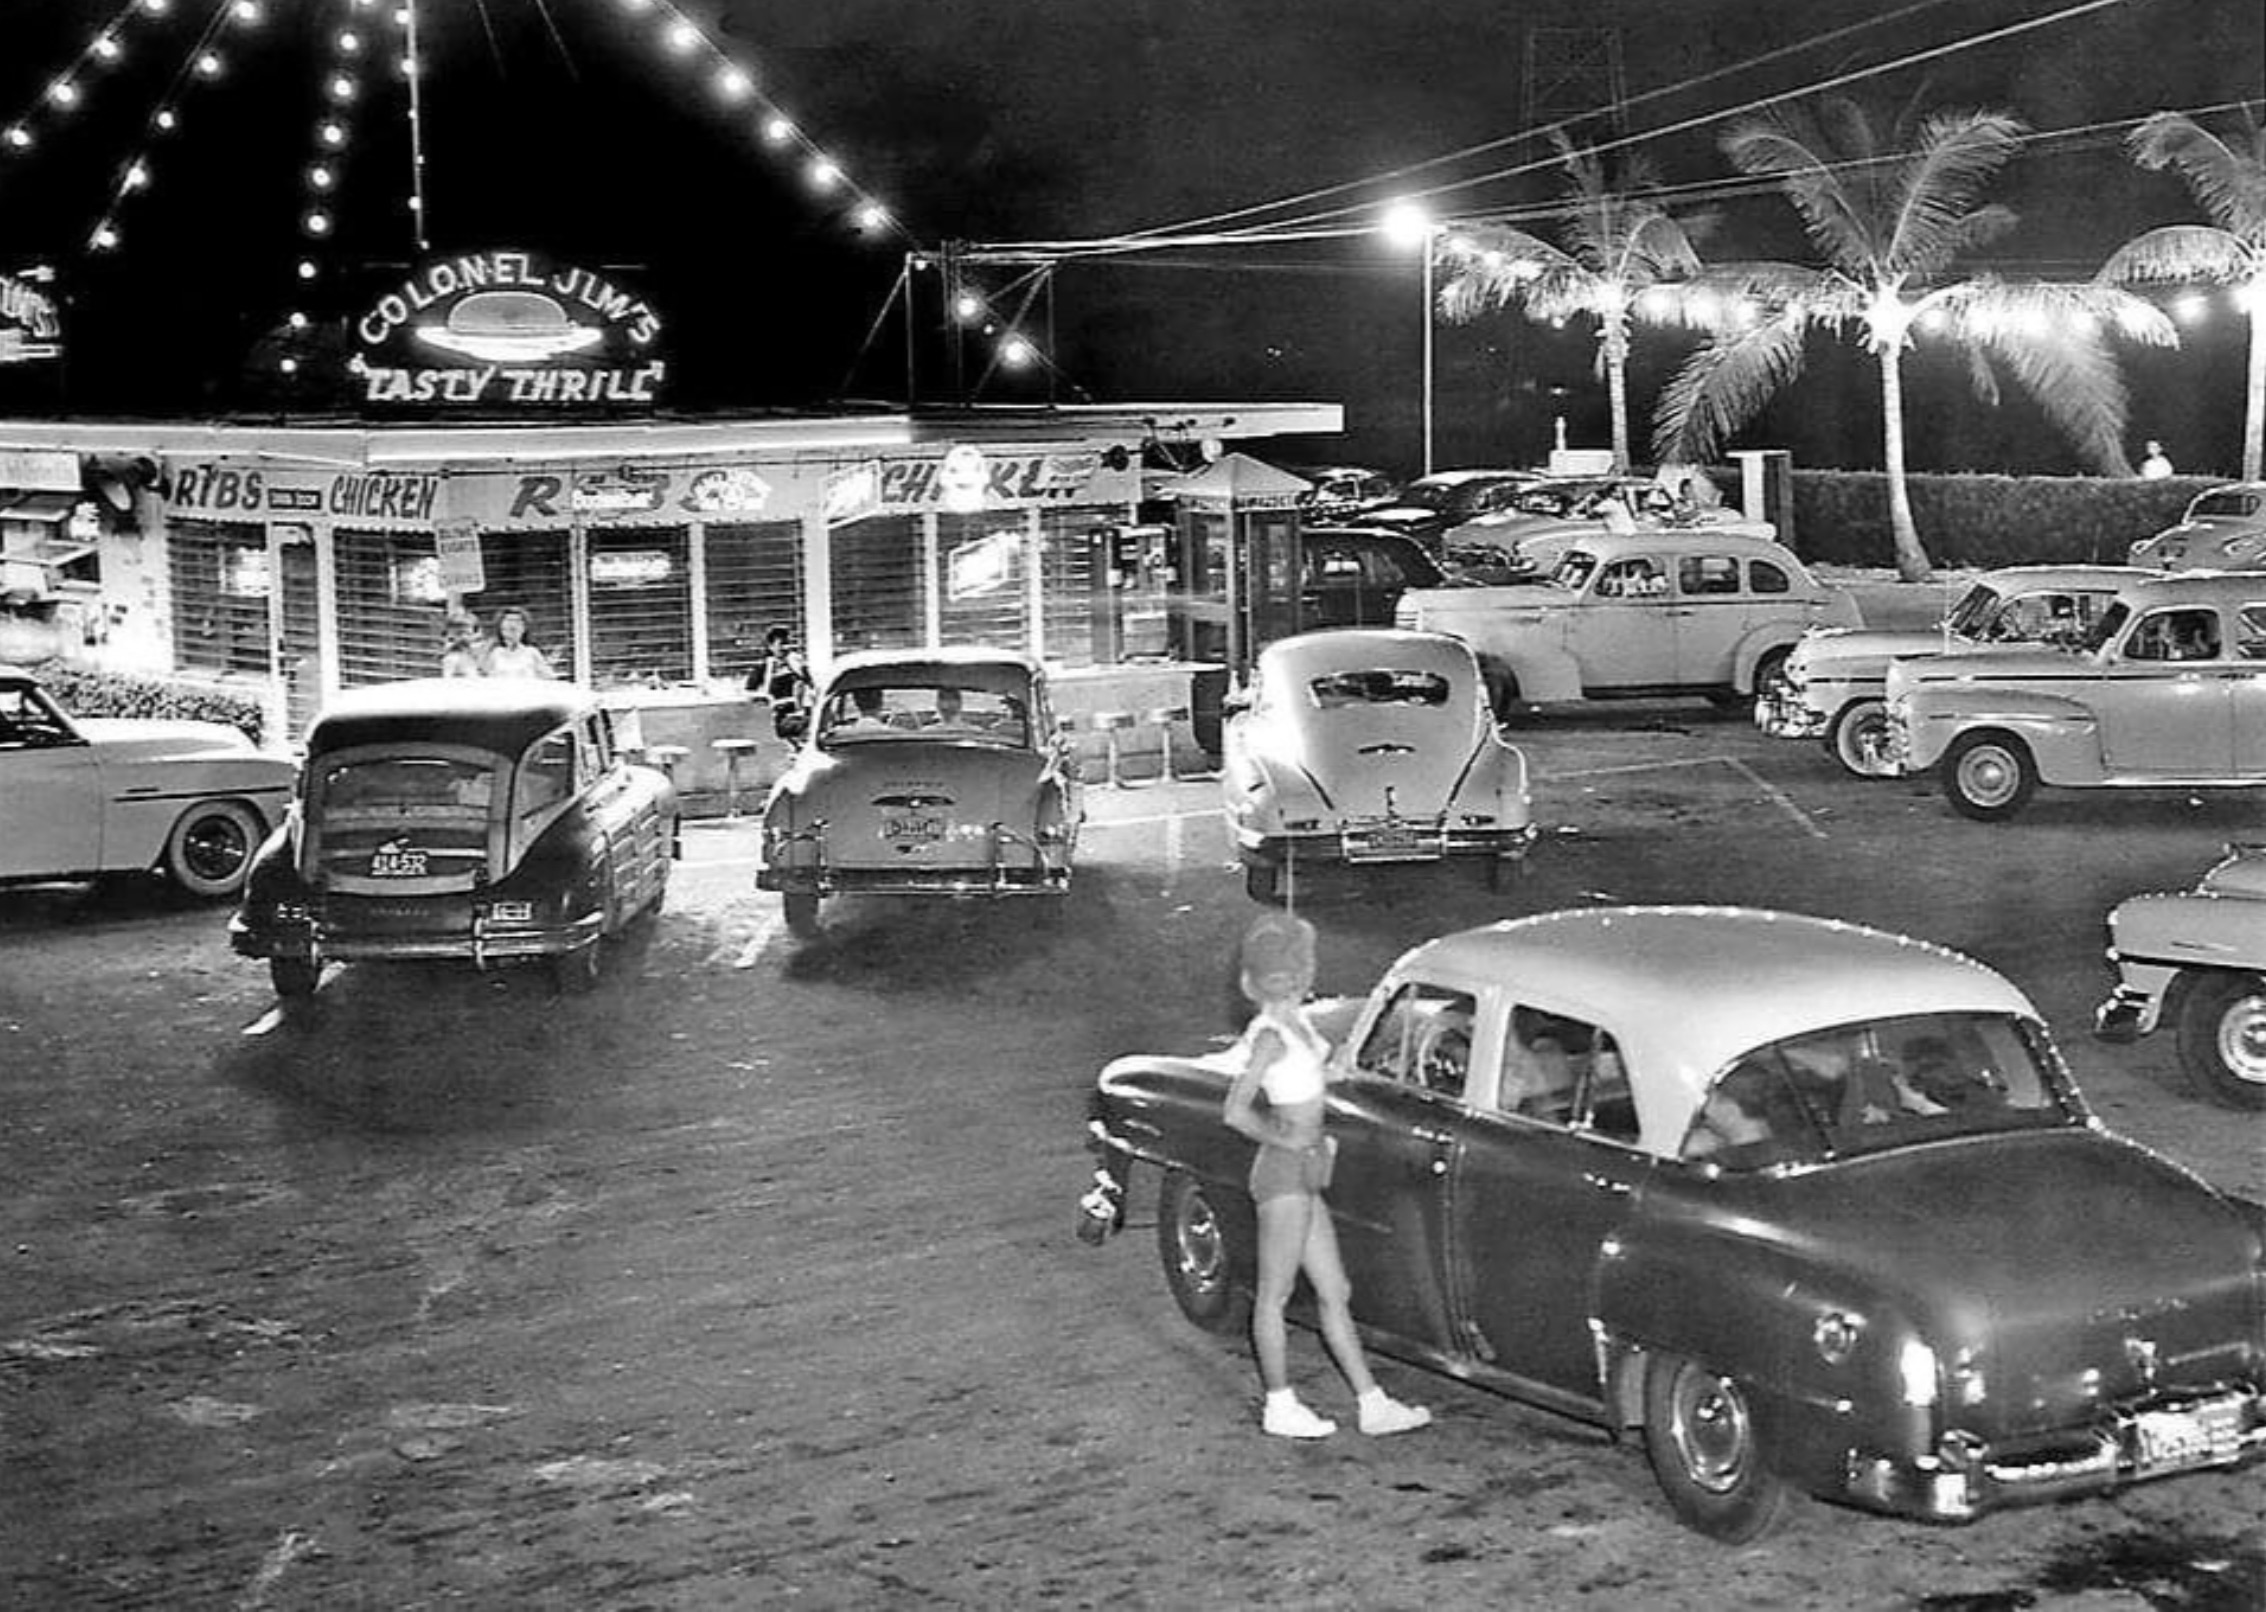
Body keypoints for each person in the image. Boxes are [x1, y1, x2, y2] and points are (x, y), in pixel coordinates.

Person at [1220, 913, 1432, 1440]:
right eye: (1290, 968)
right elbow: (1235, 1111)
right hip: (1283, 1173)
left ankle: (1372, 1403)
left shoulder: (1297, 1024)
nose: (1297, 975)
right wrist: (1284, 1137)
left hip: (1306, 1166)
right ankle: (1279, 1404)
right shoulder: (1269, 1035)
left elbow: (1318, 1074)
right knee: (1275, 1293)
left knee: (1335, 1288)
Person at [749, 624, 813, 741]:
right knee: (809, 725)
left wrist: (800, 668)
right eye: (781, 644)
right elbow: (749, 692)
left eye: (788, 643)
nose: (786, 647)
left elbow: (811, 685)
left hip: (802, 711)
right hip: (782, 716)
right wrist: (767, 698)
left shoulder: (796, 663)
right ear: (770, 646)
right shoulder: (764, 667)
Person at [485, 608, 557, 679]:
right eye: (508, 622)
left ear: (524, 629)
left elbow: (549, 677)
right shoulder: (495, 653)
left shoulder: (532, 652)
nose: (513, 625)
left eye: (517, 622)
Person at [439, 611, 487, 678]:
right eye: (458, 633)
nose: (463, 637)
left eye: (467, 633)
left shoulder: (479, 650)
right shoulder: (451, 654)